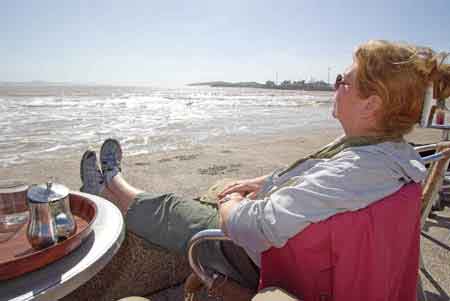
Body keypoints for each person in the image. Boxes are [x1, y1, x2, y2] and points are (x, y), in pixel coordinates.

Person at [80, 40, 450, 300]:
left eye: (343, 81)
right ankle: (112, 185)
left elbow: (249, 227)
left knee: (174, 209)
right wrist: (262, 182)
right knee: (210, 200)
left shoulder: (357, 170)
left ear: (371, 104)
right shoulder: (391, 155)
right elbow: (316, 173)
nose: (336, 88)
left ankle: (112, 183)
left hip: (268, 258)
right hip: (309, 254)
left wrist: (233, 200)